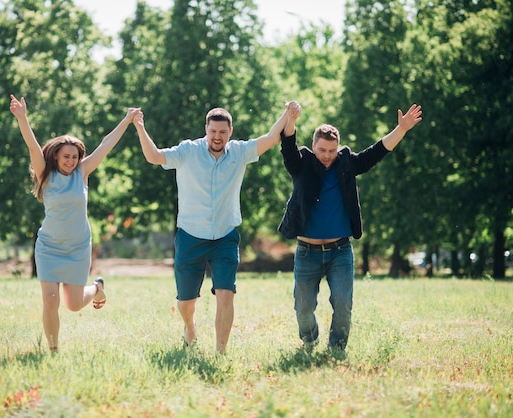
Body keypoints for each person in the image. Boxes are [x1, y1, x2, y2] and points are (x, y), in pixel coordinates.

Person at [132, 103, 297, 354]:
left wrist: (288, 114)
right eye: (213, 132)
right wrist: (140, 127)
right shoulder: (188, 151)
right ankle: (190, 327)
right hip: (189, 236)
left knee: (226, 294)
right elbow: (154, 156)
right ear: (206, 130)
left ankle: (221, 352)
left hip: (225, 237)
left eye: (222, 132)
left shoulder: (240, 152)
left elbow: (271, 138)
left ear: (230, 131)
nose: (217, 137)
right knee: (186, 304)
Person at [279, 103, 423, 352]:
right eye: (322, 150)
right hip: (307, 252)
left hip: (340, 251)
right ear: (313, 147)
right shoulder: (302, 164)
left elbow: (375, 153)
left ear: (338, 148)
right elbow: (288, 146)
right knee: (302, 309)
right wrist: (289, 120)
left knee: (344, 304)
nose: (326, 155)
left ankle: (336, 349)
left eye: (331, 151)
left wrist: (401, 130)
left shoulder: (346, 163)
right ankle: (310, 340)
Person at [9, 94, 141, 352]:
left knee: (74, 304)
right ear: (56, 157)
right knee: (50, 300)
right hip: (49, 246)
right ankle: (53, 349)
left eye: (74, 156)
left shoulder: (82, 173)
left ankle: (97, 287)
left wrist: (126, 120)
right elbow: (34, 148)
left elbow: (105, 145)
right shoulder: (45, 174)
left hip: (78, 246)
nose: (70, 160)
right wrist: (22, 118)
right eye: (66, 156)